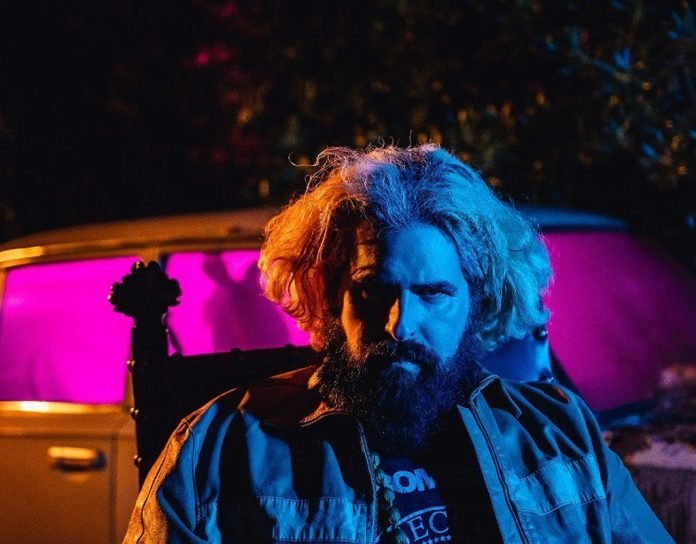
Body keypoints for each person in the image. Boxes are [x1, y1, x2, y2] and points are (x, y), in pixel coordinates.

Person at [123, 144, 673, 543]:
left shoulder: (561, 432)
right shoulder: (221, 448)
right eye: (371, 291)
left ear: (476, 300)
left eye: (433, 294)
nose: (400, 325)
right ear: (329, 295)